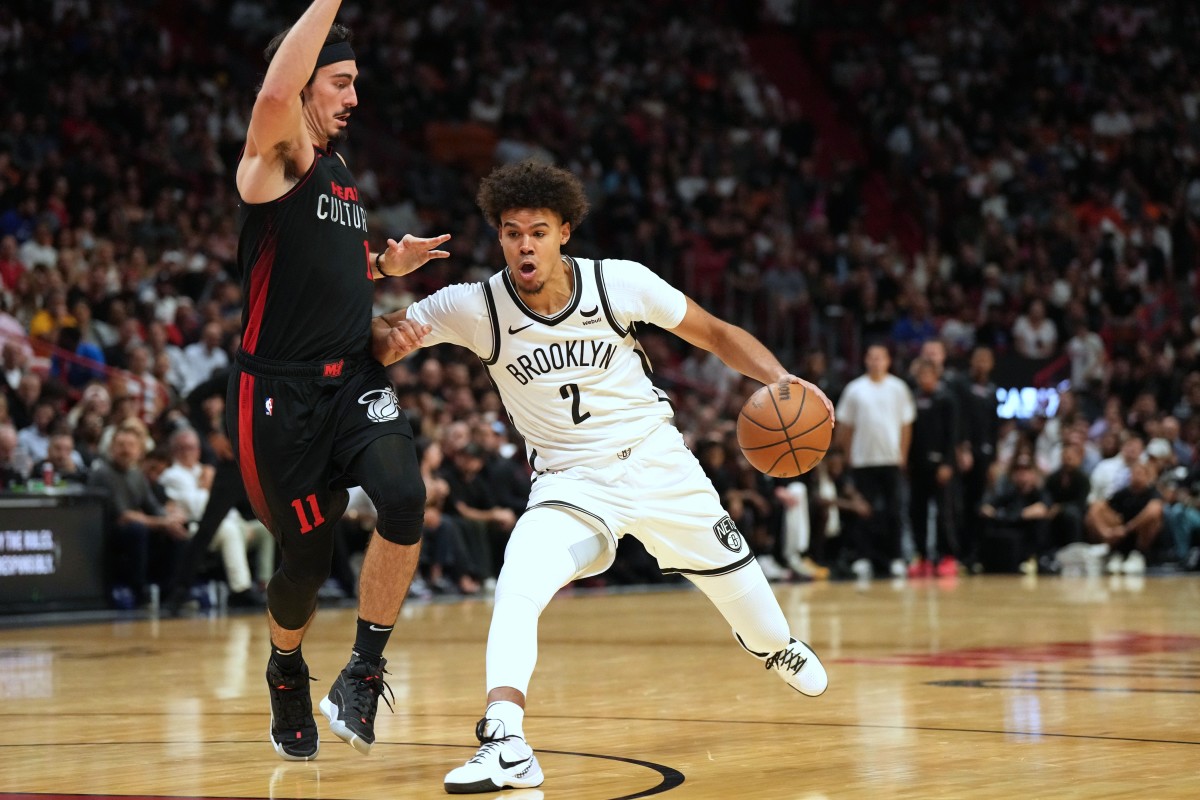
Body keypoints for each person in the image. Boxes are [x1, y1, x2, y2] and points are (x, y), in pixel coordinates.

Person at [373, 160, 833, 794]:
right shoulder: (474, 307)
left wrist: (779, 381)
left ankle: (775, 644)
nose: (524, 244)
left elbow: (717, 333)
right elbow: (385, 342)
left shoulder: (620, 285)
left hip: (661, 468)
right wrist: (377, 276)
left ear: (565, 231)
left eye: (537, 231)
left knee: (763, 626)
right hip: (571, 485)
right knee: (518, 581)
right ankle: (505, 739)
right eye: (510, 232)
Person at [231, 0, 450, 761]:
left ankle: (363, 670)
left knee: (404, 494)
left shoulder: (341, 174)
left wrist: (384, 273)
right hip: (279, 396)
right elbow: (269, 99)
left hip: (351, 380)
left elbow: (334, 271)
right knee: (306, 563)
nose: (355, 98)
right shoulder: (272, 159)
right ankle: (286, 668)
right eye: (342, 81)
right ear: (305, 88)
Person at [834, 343, 915, 579]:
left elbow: (906, 425)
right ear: (865, 360)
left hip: (890, 459)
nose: (876, 361)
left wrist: (903, 455)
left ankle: (896, 557)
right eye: (871, 357)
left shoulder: (898, 388)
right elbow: (845, 426)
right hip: (862, 460)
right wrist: (848, 455)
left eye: (880, 357)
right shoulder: (855, 389)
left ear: (888, 360)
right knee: (863, 511)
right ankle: (863, 557)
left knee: (894, 510)